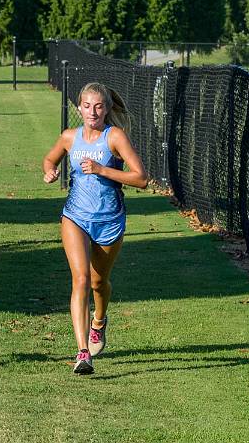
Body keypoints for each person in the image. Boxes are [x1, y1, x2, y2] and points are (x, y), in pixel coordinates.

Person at [42, 82, 148, 375]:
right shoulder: (69, 137)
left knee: (99, 283)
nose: (93, 112)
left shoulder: (114, 137)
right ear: (79, 108)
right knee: (80, 279)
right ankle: (82, 352)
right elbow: (50, 158)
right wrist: (50, 170)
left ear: (107, 109)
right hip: (75, 216)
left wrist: (102, 169)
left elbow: (141, 178)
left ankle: (99, 321)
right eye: (87, 106)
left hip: (110, 219)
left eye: (99, 106)